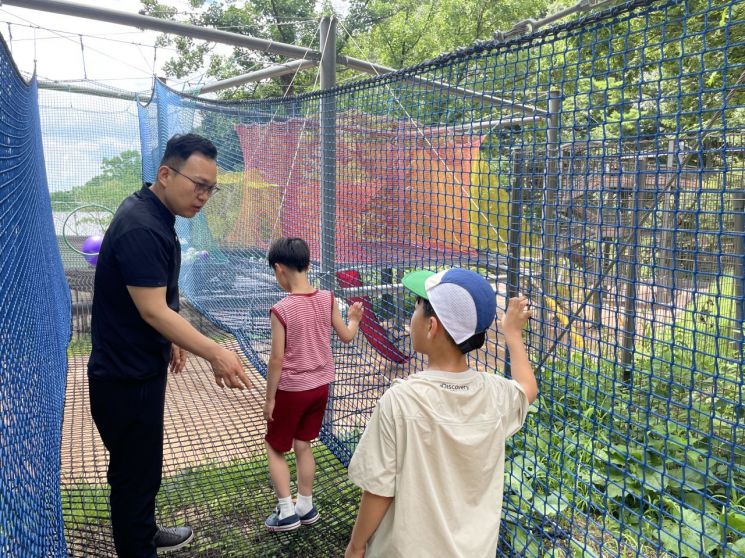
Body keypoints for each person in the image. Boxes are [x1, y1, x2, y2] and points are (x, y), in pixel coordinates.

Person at [87, 133, 252, 558]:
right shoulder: (141, 227)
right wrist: (215, 351)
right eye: (198, 184)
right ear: (165, 173)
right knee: (134, 475)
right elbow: (153, 311)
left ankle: (144, 529)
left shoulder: (154, 213)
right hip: (125, 377)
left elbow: (158, 302)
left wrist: (168, 336)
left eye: (210, 189)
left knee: (142, 469)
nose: (204, 196)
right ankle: (137, 545)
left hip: (138, 367)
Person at [345, 267, 538, 558]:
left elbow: (379, 491)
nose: (412, 315)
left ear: (431, 326)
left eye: (416, 307)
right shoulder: (495, 395)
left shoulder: (400, 400)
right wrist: (512, 331)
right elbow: (527, 388)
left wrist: (356, 545)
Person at [263, 237, 364, 532]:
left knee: (275, 447)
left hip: (292, 389)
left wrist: (270, 399)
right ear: (307, 264)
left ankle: (286, 512)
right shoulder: (327, 298)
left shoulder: (281, 309)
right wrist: (354, 319)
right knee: (303, 444)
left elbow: (276, 359)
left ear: (280, 269)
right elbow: (346, 335)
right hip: (321, 387)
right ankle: (305, 505)